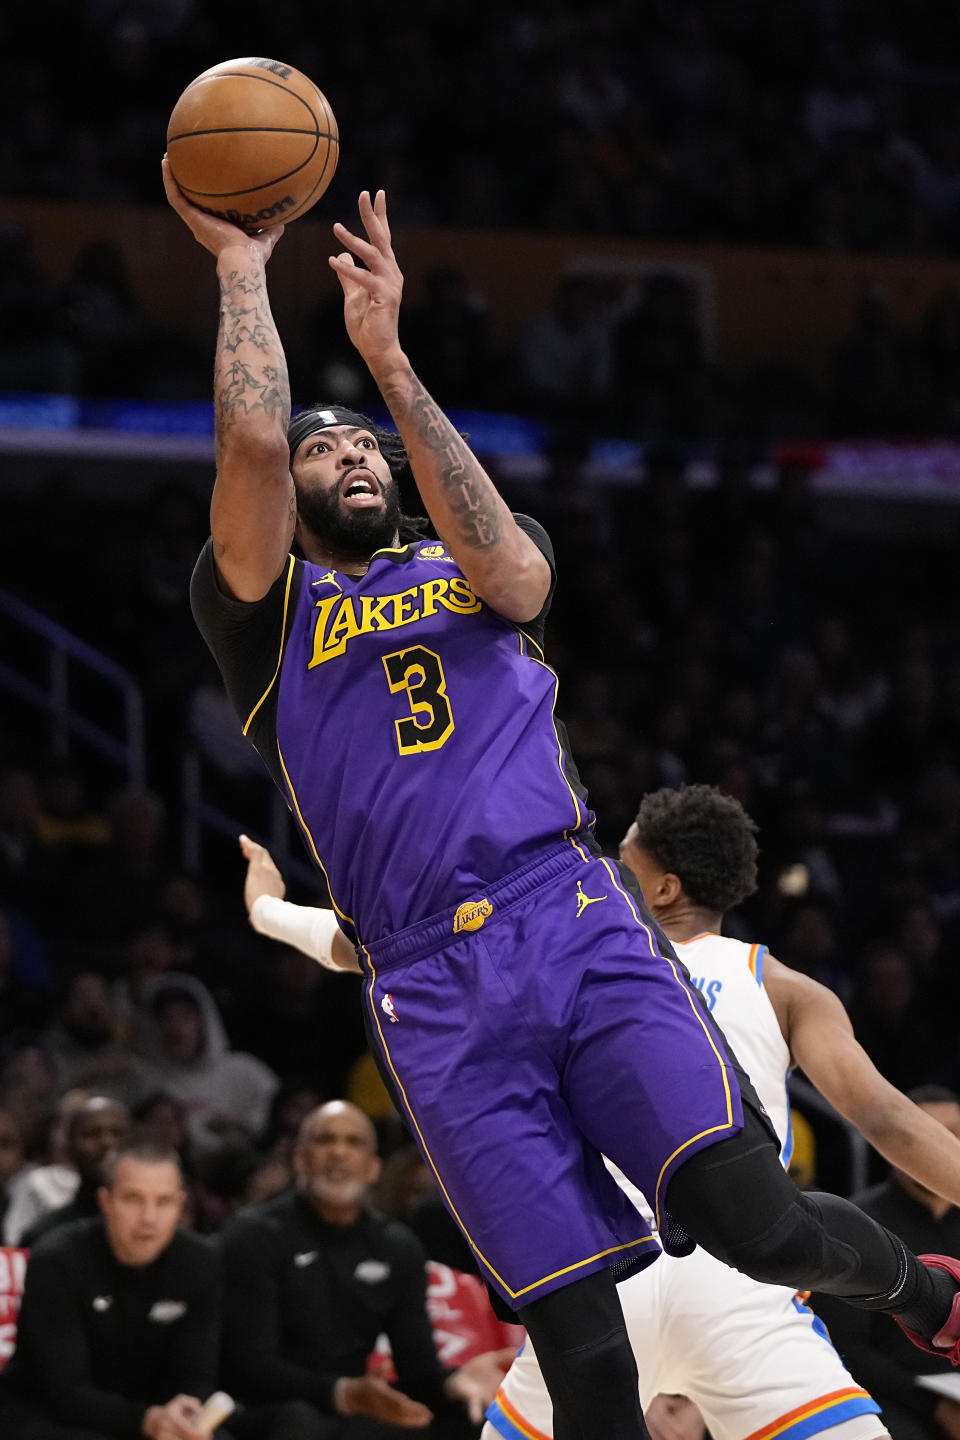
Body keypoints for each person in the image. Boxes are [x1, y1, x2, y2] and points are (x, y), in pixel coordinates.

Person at [165, 163, 960, 1440]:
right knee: (583, 1346)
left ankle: (925, 1291)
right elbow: (252, 442)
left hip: (571, 916)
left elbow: (522, 580)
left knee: (750, 1227)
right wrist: (243, 267)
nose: (350, 456)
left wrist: (391, 365)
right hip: (430, 987)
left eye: (362, 445)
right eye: (329, 451)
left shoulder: (471, 558)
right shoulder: (260, 617)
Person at [242, 791, 960, 1440]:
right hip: (741, 1289)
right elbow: (888, 1121)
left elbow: (364, 950)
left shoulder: (551, 938)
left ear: (660, 887)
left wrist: (266, 911)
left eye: (623, 855)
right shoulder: (782, 985)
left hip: (601, 1277)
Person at [218, 1100, 511, 1439]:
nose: (339, 1152)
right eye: (325, 1140)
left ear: (373, 1168)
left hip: (352, 1408)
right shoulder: (253, 1234)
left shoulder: (398, 1247)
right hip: (263, 1408)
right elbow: (250, 1367)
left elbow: (418, 1369)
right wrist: (343, 1392)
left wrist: (455, 1381)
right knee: (299, 1422)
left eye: (353, 1142)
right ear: (299, 1159)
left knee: (471, 1421)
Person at [0, 1138, 224, 1439]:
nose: (149, 1218)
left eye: (164, 1202)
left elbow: (196, 1376)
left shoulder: (201, 1262)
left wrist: (187, 1416)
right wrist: (147, 1421)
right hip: (47, 1414)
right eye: (133, 1199)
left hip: (152, 1416)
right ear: (106, 1202)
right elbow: (67, 1392)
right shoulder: (57, 1260)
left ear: (181, 1206)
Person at [811, 1087, 960, 1440]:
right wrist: (937, 1407)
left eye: (954, 1134)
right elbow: (846, 1347)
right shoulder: (857, 1222)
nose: (940, 1145)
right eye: (926, 1132)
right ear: (894, 1145)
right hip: (893, 1398)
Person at [19, 1093, 129, 1247]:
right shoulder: (45, 1236)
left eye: (117, 1133)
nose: (107, 1142)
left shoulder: (155, 1231)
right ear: (69, 1146)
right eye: (92, 1134)